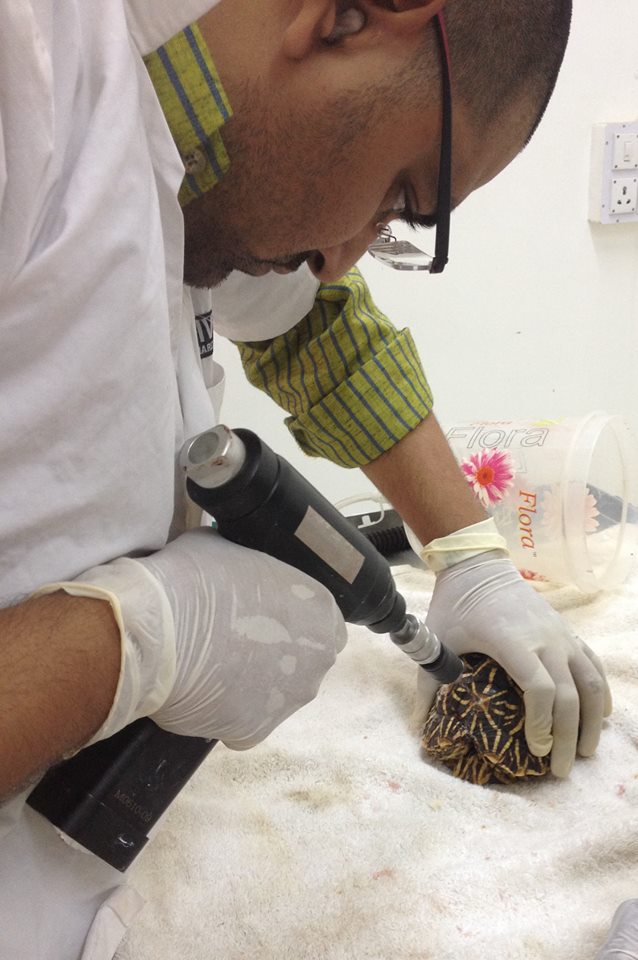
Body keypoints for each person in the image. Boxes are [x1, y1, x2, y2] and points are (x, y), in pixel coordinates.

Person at [0, 1, 610, 957]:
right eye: (399, 196)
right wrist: (130, 644)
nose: (342, 253)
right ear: (351, 15)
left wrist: (467, 551)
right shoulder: (25, 72)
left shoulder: (208, 150)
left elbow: (316, 322)